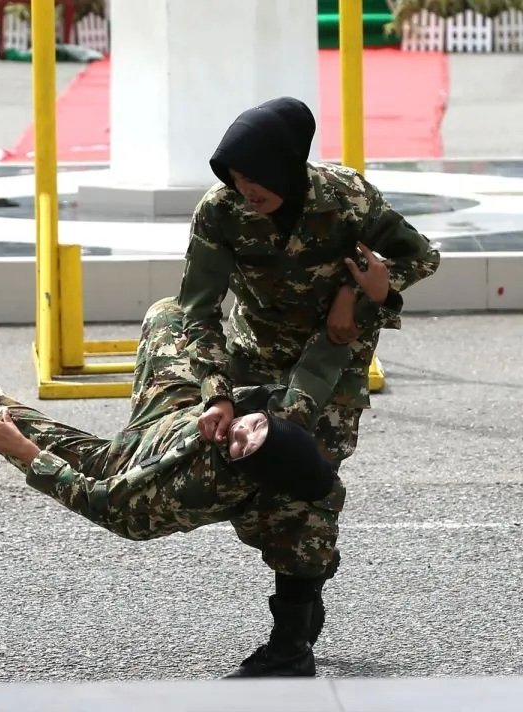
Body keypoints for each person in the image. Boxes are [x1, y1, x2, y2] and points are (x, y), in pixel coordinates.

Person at [0, 282, 369, 678]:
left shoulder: (181, 488)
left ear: (245, 466)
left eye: (244, 444)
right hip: (173, 419)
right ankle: (301, 599)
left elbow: (109, 508)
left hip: (123, 469)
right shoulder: (283, 420)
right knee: (171, 314)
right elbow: (324, 359)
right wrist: (356, 297)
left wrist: (29, 455)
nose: (241, 432)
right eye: (253, 426)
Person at [176, 97, 441, 671]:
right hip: (254, 357)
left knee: (302, 476)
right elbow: (196, 311)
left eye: (258, 177)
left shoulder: (345, 198)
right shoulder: (221, 212)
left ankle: (291, 641)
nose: (247, 189)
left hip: (332, 358)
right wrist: (217, 391)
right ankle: (305, 586)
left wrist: (363, 289)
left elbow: (421, 256)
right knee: (251, 488)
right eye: (236, 176)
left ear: (289, 165)